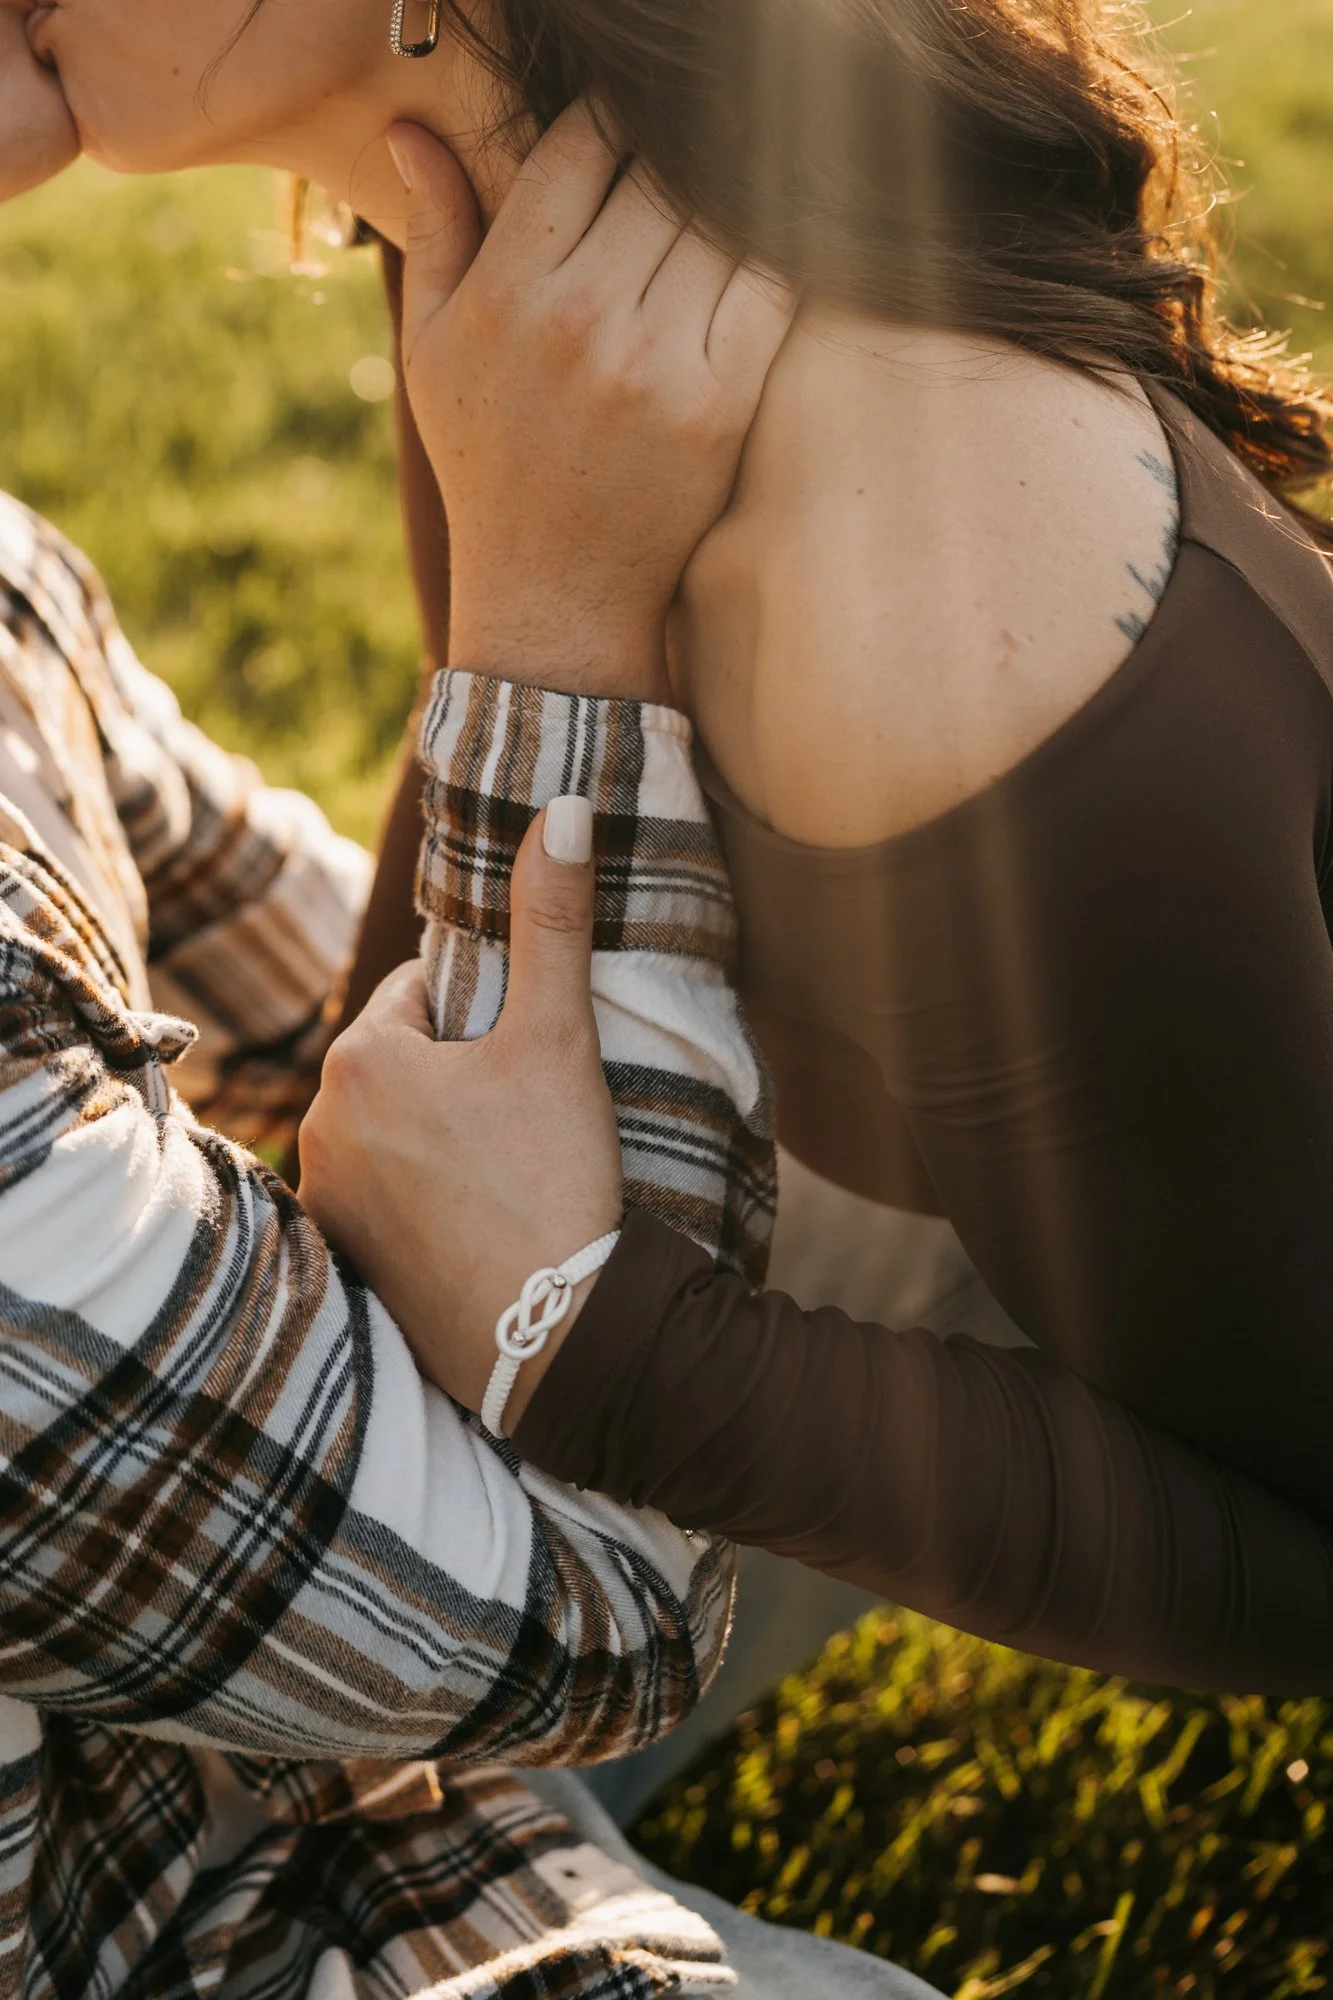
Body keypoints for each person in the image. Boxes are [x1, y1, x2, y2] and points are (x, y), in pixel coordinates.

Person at [0, 32, 957, 1992]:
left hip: (260, 1684)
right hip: (205, 1922)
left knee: (928, 1071)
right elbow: (617, 1601)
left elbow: (296, 972)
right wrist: (558, 620)